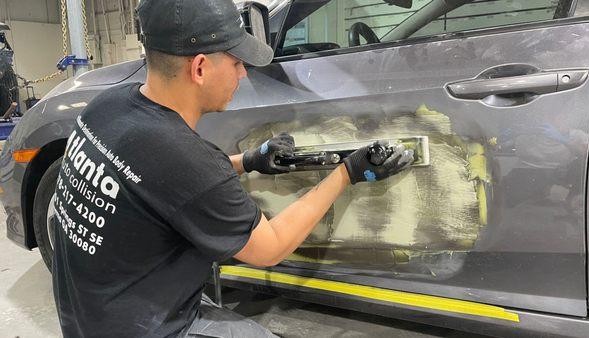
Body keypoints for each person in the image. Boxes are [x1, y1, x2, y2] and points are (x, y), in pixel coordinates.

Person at [51, 0, 415, 337]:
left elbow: (163, 183)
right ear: (199, 67)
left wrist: (249, 161)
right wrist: (347, 173)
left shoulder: (108, 105)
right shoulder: (183, 157)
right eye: (237, 62)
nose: (242, 75)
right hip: (151, 328)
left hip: (89, 316)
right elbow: (268, 249)